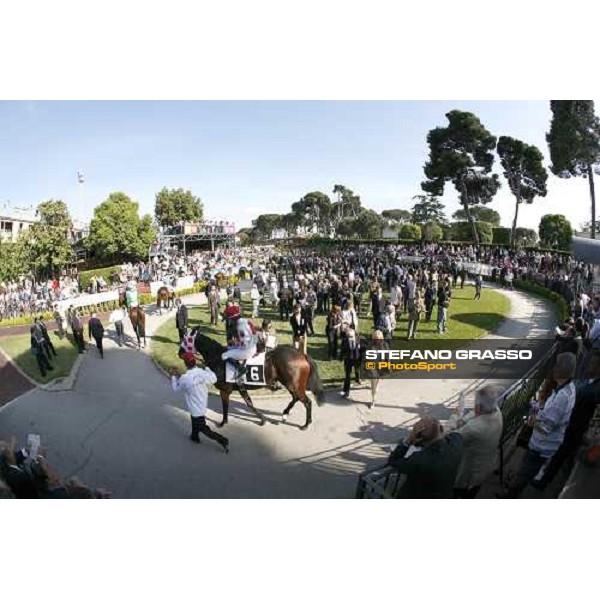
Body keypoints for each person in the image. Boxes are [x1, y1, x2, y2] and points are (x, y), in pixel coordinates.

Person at [499, 352, 577, 498]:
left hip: (542, 446)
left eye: (556, 366)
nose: (553, 369)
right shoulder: (566, 388)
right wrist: (538, 409)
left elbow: (546, 428)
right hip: (542, 444)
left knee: (524, 475)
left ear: (560, 370)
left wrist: (531, 422)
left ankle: (508, 496)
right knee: (524, 471)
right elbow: (549, 415)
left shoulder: (563, 397)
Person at [533, 349, 600, 489]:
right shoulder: (587, 379)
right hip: (569, 422)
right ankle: (544, 475)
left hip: (575, 427)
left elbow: (585, 403)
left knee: (560, 455)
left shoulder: (595, 389)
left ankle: (544, 481)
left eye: (593, 363)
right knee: (558, 453)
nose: (589, 365)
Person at [387, 416, 463, 499]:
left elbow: (394, 461)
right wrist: (437, 430)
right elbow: (454, 434)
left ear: (419, 438)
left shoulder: (418, 459)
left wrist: (408, 440)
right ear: (441, 429)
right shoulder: (456, 443)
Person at [453, 386, 504, 498]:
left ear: (479, 407)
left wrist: (455, 416)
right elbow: (475, 414)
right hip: (486, 467)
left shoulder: (473, 428)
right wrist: (464, 419)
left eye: (475, 404)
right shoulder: (497, 412)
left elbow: (452, 438)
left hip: (468, 474)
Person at [171, 353, 229, 451]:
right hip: (203, 403)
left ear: (185, 364)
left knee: (203, 428)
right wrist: (207, 368)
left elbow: (176, 388)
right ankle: (194, 437)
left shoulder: (186, 378)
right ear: (195, 362)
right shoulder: (203, 373)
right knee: (195, 421)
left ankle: (223, 440)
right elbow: (214, 378)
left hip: (195, 408)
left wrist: (174, 377)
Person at [221, 318, 257, 385]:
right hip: (252, 346)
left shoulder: (240, 327)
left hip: (247, 350)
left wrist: (235, 343)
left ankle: (241, 369)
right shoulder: (245, 321)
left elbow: (245, 343)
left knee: (224, 355)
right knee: (228, 348)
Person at [340, 326, 364, 397]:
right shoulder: (345, 341)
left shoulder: (359, 340)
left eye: (351, 336)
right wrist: (341, 357)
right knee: (347, 376)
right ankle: (346, 392)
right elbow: (342, 350)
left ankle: (358, 379)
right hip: (348, 361)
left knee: (357, 370)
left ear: (354, 335)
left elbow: (362, 350)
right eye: (348, 336)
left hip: (356, 359)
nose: (349, 338)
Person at [368, 329, 389, 409]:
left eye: (379, 338)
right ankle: (373, 400)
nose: (378, 340)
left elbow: (388, 356)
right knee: (373, 385)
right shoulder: (370, 345)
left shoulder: (385, 345)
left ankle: (376, 386)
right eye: (376, 338)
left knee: (377, 380)